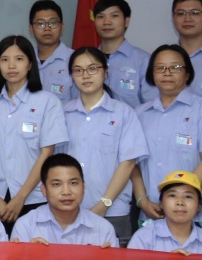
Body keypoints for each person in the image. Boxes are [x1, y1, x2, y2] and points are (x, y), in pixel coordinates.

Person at [0, 36, 68, 234]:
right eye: (4, 59)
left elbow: (47, 153)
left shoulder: (47, 102)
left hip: (33, 198)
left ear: (30, 64)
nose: (11, 66)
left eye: (19, 59)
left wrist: (20, 197)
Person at [58, 46, 147, 245]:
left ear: (105, 72)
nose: (85, 75)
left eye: (92, 68)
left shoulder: (123, 113)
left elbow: (128, 163)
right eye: (78, 70)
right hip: (67, 211)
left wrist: (104, 204)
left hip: (113, 212)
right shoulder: (62, 113)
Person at [131, 44, 202, 234]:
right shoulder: (140, 114)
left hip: (196, 215)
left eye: (175, 67)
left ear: (187, 74)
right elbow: (132, 164)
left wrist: (178, 201)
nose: (167, 73)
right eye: (160, 68)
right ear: (152, 74)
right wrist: (142, 201)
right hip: (152, 213)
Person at [11, 154, 118, 247]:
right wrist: (28, 255)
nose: (66, 192)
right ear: (44, 190)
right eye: (57, 184)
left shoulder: (103, 228)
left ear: (83, 186)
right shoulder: (26, 226)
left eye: (73, 183)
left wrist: (107, 259)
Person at [94, 0, 151, 109]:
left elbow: (151, 106)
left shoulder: (144, 61)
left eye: (114, 16)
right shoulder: (88, 60)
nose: (106, 22)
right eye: (100, 16)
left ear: (126, 21)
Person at [29, 0, 73, 99]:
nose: (47, 28)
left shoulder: (74, 60)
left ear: (62, 27)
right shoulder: (24, 60)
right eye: (40, 23)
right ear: (31, 29)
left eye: (53, 23)